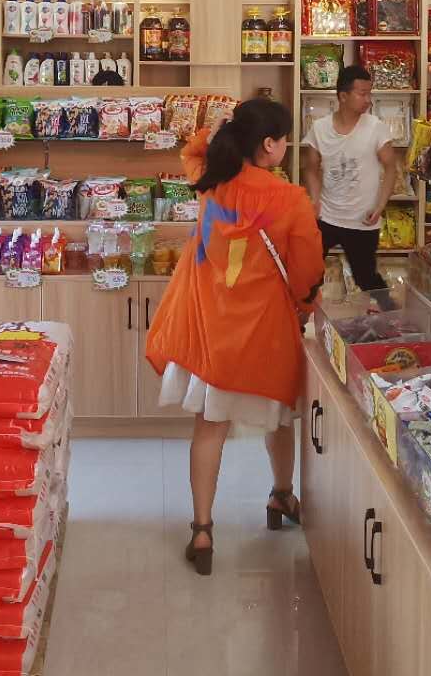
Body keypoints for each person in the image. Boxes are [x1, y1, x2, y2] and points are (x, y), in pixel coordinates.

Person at [144, 98, 325, 577]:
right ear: (269, 145)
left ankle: (202, 529)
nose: (287, 146)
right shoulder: (289, 199)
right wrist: (306, 306)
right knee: (279, 419)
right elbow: (307, 270)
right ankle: (282, 494)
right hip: (265, 331)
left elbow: (192, 149)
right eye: (284, 140)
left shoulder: (212, 178)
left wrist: (220, 126)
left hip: (209, 327)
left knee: (209, 426)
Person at [300, 64, 399, 305]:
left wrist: (380, 206)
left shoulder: (376, 128)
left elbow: (391, 168)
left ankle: (392, 316)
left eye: (369, 93)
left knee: (366, 278)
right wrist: (315, 200)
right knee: (308, 274)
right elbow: (310, 168)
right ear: (343, 96)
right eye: (362, 94)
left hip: (362, 221)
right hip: (326, 217)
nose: (368, 100)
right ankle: (299, 318)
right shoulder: (320, 128)